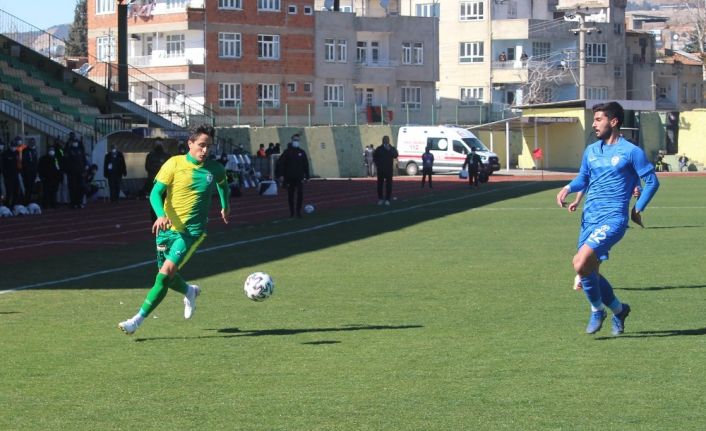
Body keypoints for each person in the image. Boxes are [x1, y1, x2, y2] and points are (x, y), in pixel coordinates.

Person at [556, 101, 659, 336]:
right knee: (587, 269)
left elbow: (652, 181)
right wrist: (568, 188)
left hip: (613, 218)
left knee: (580, 263)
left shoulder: (631, 151)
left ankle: (596, 310)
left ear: (613, 122)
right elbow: (583, 177)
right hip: (589, 217)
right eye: (594, 120)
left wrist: (637, 209)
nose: (594, 125)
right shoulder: (591, 150)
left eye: (598, 120)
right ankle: (619, 309)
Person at [118, 124, 230, 335]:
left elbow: (223, 186)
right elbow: (155, 193)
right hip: (167, 230)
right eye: (201, 145)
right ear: (190, 144)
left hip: (191, 233)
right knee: (167, 277)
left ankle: (136, 321)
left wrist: (226, 206)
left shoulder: (215, 169)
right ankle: (189, 291)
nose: (205, 151)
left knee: (164, 275)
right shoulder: (174, 164)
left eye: (209, 147)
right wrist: (161, 215)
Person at [276, 134, 310, 218]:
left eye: (297, 140)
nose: (296, 142)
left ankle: (298, 212)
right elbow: (281, 164)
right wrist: (280, 175)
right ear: (292, 141)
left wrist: (307, 176)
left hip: (299, 177)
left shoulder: (302, 152)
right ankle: (292, 212)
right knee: (290, 195)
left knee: (300, 193)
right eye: (295, 140)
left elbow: (306, 164)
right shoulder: (287, 152)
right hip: (289, 178)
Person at [372, 135, 398, 206]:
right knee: (380, 185)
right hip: (381, 170)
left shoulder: (391, 148)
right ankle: (380, 199)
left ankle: (387, 199)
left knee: (388, 185)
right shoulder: (379, 149)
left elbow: (395, 155)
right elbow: (374, 157)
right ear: (383, 140)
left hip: (389, 170)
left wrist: (389, 150)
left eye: (387, 140)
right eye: (384, 140)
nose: (386, 141)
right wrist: (377, 165)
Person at [63, 134, 87, 209]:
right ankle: (73, 203)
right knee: (73, 188)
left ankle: (79, 202)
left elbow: (84, 159)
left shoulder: (80, 150)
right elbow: (65, 156)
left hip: (80, 172)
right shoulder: (69, 150)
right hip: (71, 172)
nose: (75, 142)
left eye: (76, 141)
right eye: (74, 141)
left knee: (81, 187)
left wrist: (84, 170)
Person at [1, 138, 20, 207]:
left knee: (16, 191)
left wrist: (19, 171)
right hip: (8, 176)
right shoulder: (5, 153)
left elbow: (18, 163)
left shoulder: (17, 152)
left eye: (15, 146)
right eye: (13, 146)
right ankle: (7, 205)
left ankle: (14, 205)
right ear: (10, 146)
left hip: (15, 175)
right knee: (9, 192)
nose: (14, 147)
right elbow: (3, 165)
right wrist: (5, 174)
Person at [20, 137, 39, 205]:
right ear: (29, 143)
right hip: (27, 173)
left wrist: (36, 171)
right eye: (31, 142)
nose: (33, 143)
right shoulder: (25, 150)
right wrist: (25, 171)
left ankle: (31, 201)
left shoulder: (35, 150)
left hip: (33, 172)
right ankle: (26, 202)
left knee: (32, 187)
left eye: (34, 142)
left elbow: (35, 161)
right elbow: (24, 162)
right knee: (28, 187)